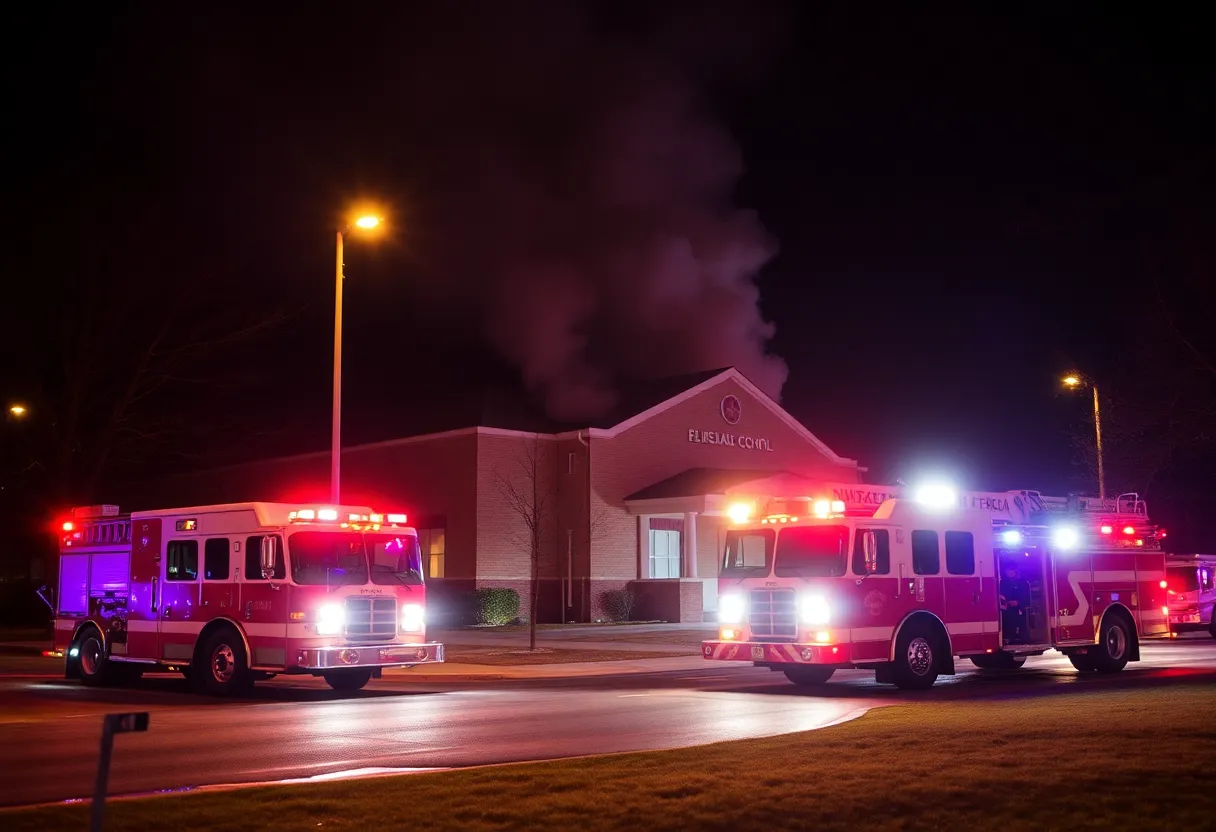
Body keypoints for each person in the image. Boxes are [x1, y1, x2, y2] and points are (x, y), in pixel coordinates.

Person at [1000, 564, 1031, 643]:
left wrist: (1019, 603)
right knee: (1009, 624)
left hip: (1020, 609)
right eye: (1007, 570)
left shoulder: (1023, 583)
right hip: (1006, 609)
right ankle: (1010, 637)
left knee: (1020, 624)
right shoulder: (1002, 583)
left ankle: (1021, 638)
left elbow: (1026, 596)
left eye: (1011, 570)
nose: (1009, 572)